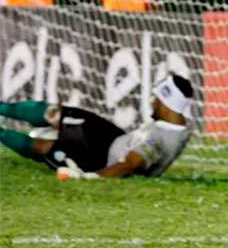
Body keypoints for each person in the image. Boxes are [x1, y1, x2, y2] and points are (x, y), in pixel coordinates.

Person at [0, 74, 194, 179]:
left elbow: (129, 164)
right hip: (112, 138)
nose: (151, 102)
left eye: (156, 98)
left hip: (100, 159)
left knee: (43, 147)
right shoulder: (176, 127)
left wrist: (91, 177)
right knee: (55, 113)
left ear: (166, 102)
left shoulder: (159, 139)